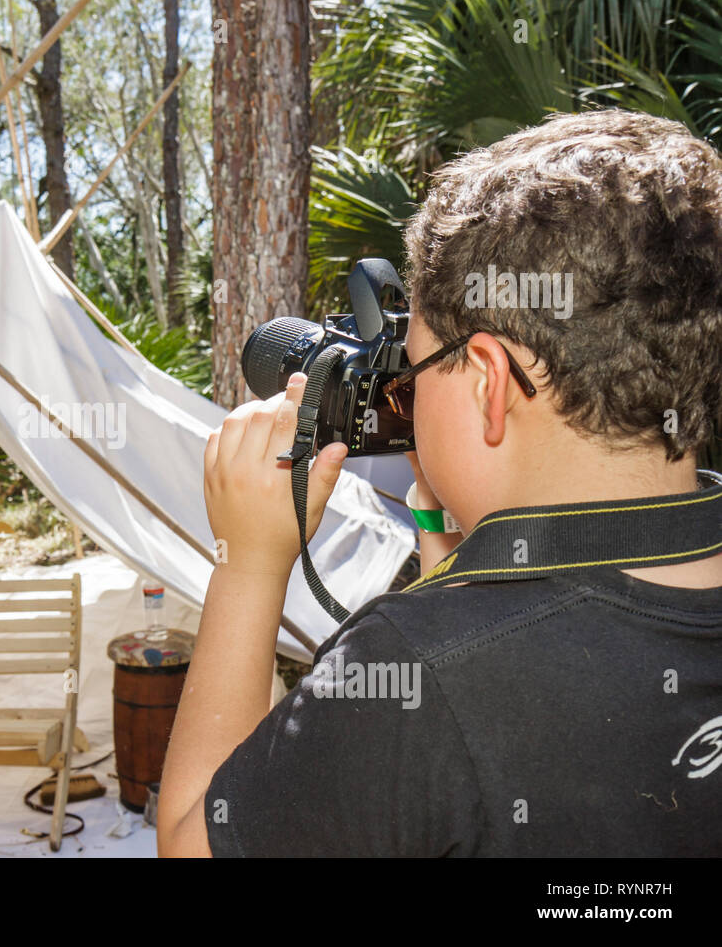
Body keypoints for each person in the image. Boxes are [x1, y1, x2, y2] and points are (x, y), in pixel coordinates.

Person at [157, 109, 722, 856]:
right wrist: (447, 541)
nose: (408, 404)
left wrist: (249, 564)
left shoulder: (416, 678)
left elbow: (194, 839)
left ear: (490, 382)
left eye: (416, 373)